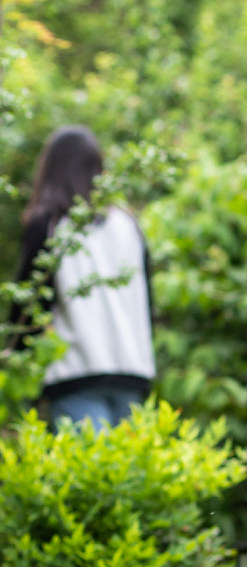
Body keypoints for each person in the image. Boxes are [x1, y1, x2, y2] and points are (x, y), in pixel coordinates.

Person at [10, 125, 155, 430]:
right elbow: (147, 304)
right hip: (132, 369)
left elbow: (30, 307)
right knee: (126, 475)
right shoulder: (127, 225)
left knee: (86, 474)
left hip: (75, 372)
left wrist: (17, 360)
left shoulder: (50, 224)